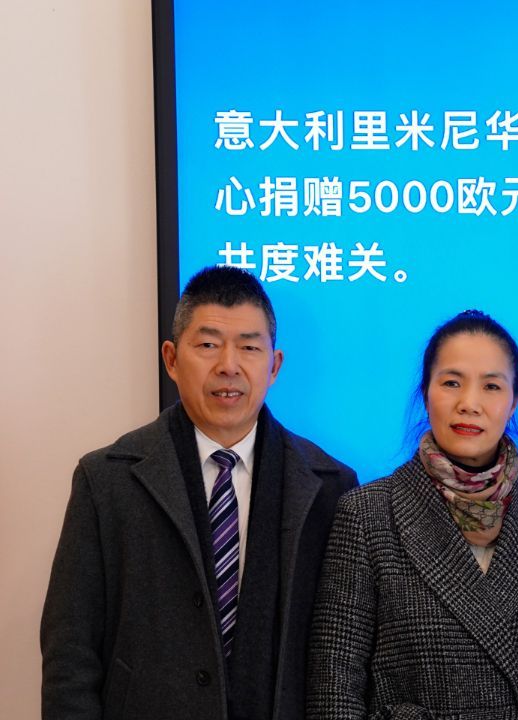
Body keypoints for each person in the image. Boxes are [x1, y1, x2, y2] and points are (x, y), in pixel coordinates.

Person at [40, 265, 357, 720]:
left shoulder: (331, 487)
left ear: (274, 365)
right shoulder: (106, 480)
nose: (228, 365)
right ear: (171, 359)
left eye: (249, 347)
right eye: (208, 345)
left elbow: (344, 659)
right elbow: (70, 654)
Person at [307, 309, 518, 720]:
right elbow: (335, 687)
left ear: (514, 401)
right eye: (451, 382)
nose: (469, 404)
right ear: (425, 392)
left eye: (491, 386)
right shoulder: (367, 513)